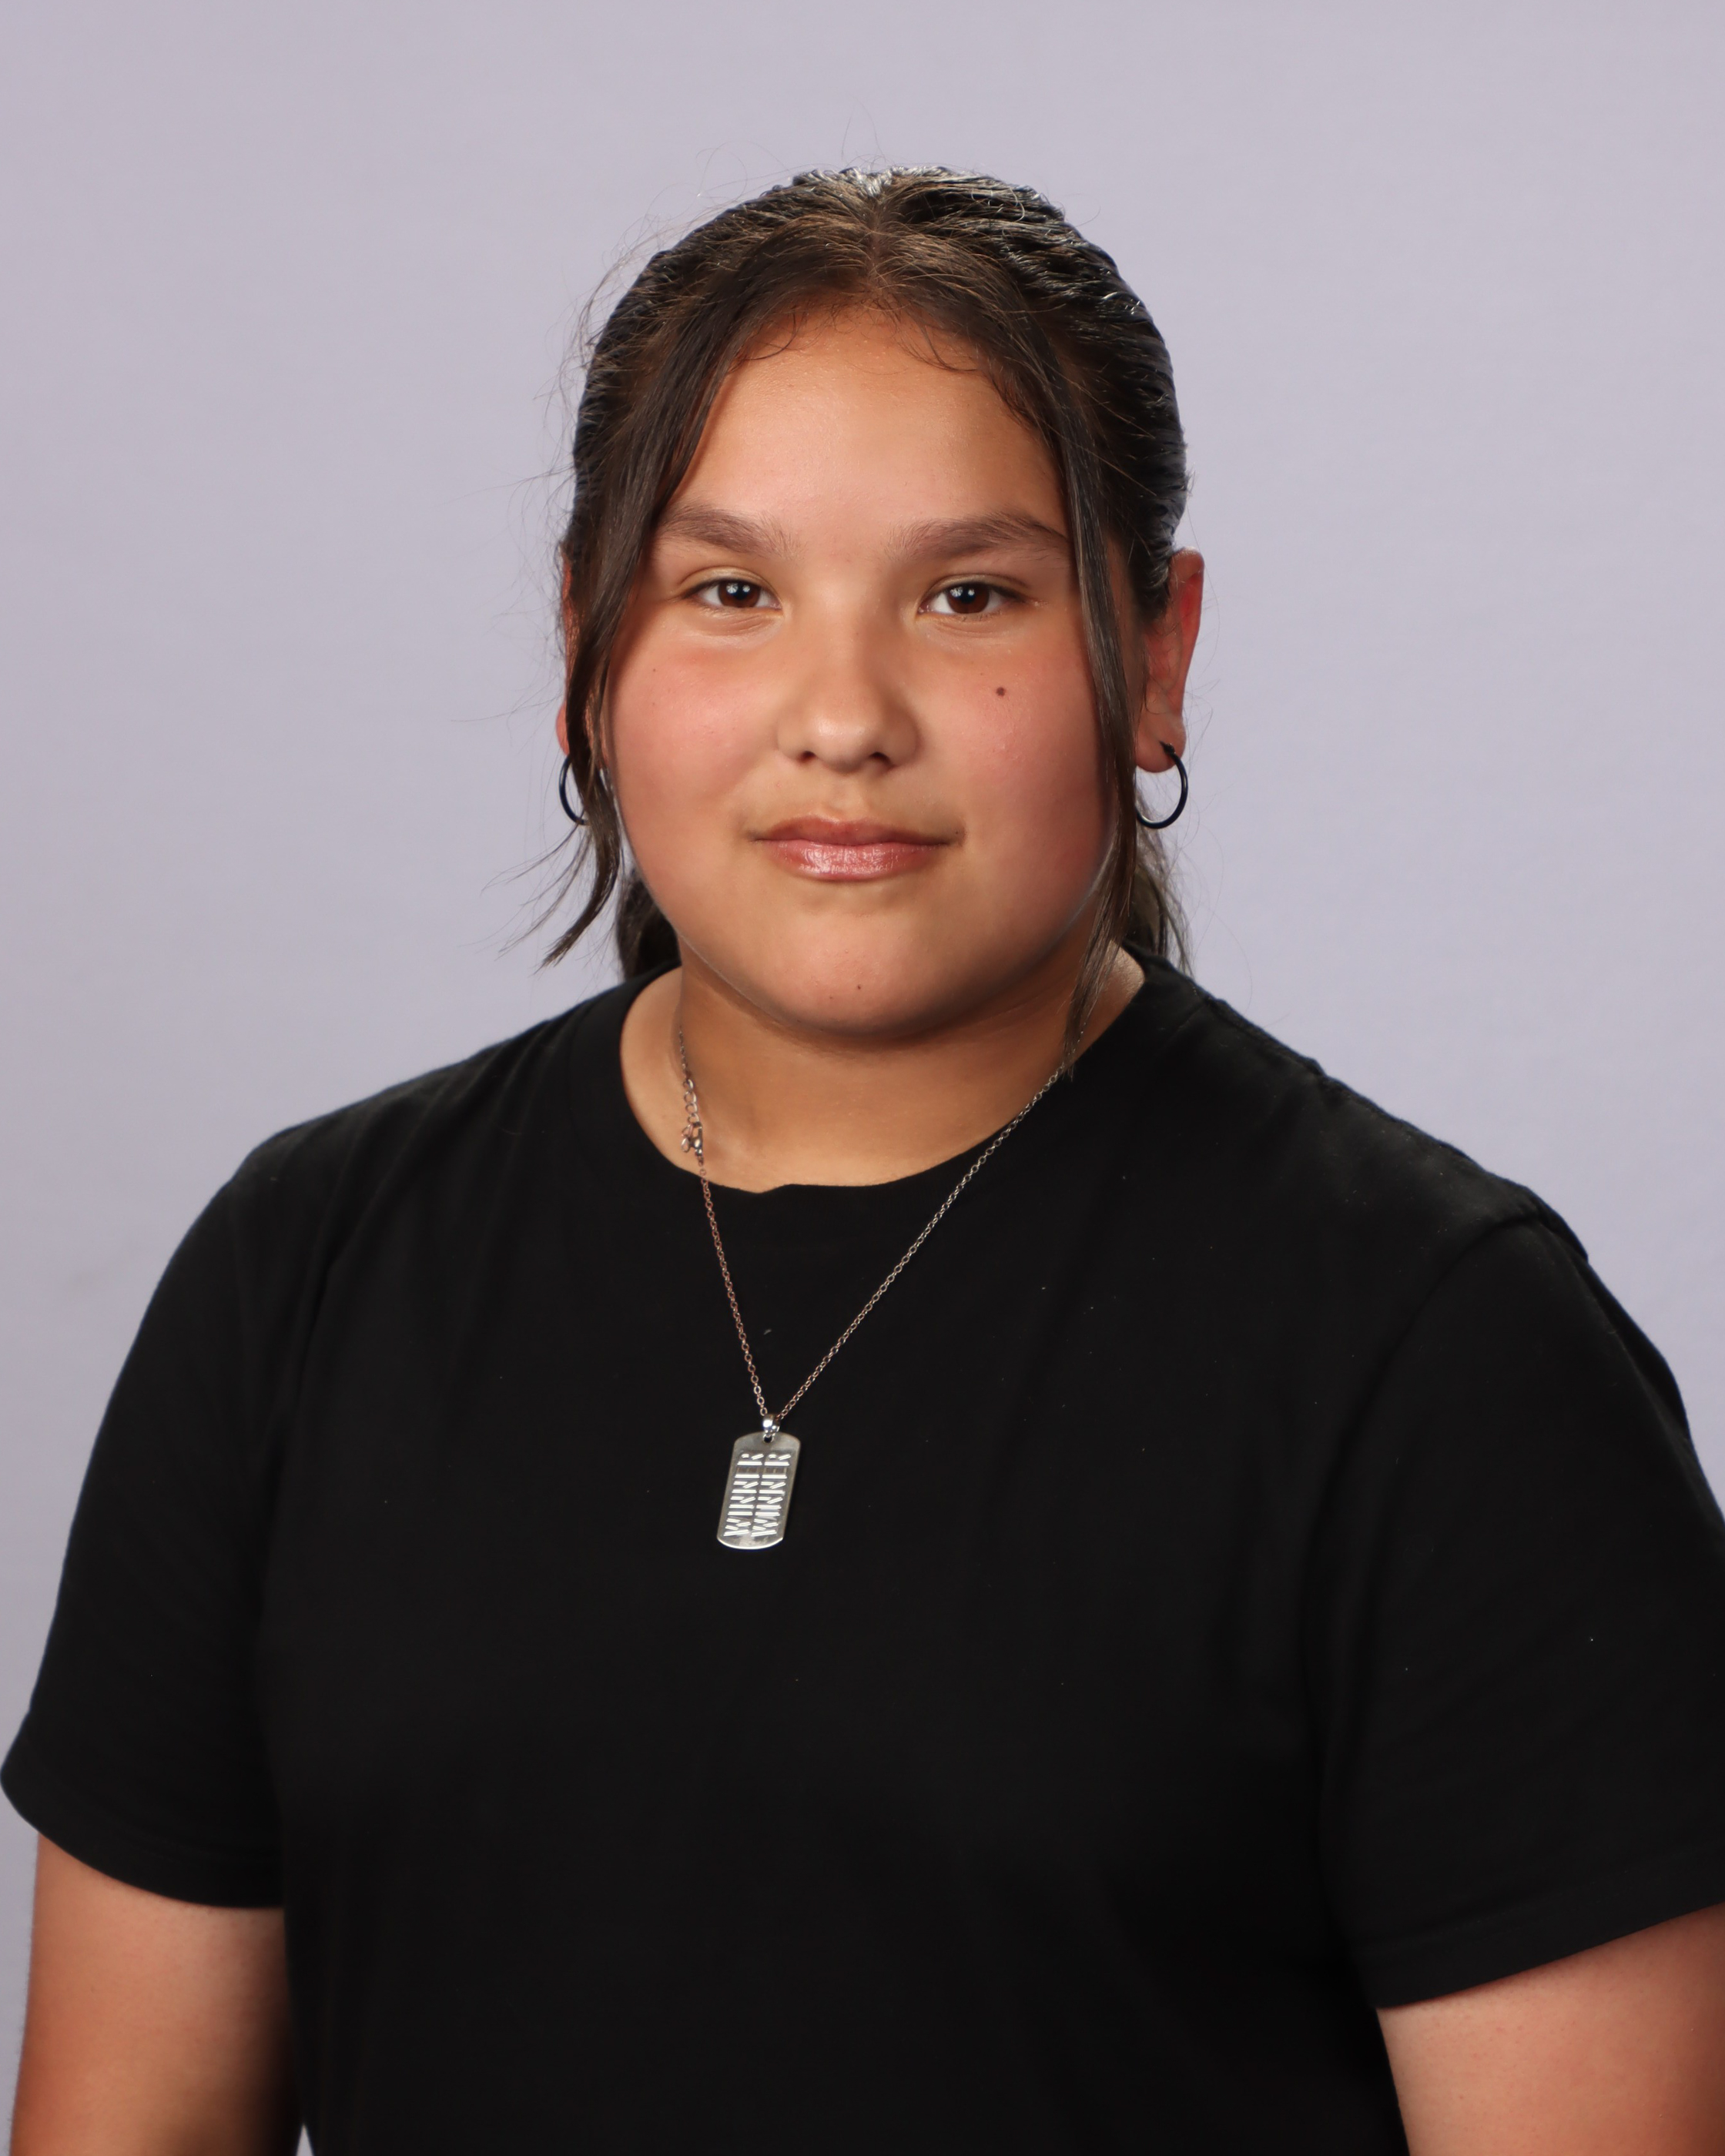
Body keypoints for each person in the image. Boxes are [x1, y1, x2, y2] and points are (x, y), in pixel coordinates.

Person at [5, 166, 1724, 2156]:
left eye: (968, 594)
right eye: (729, 593)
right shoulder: (306, 1275)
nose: (843, 719)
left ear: (1155, 650)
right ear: (584, 644)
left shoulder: (1446, 1360)